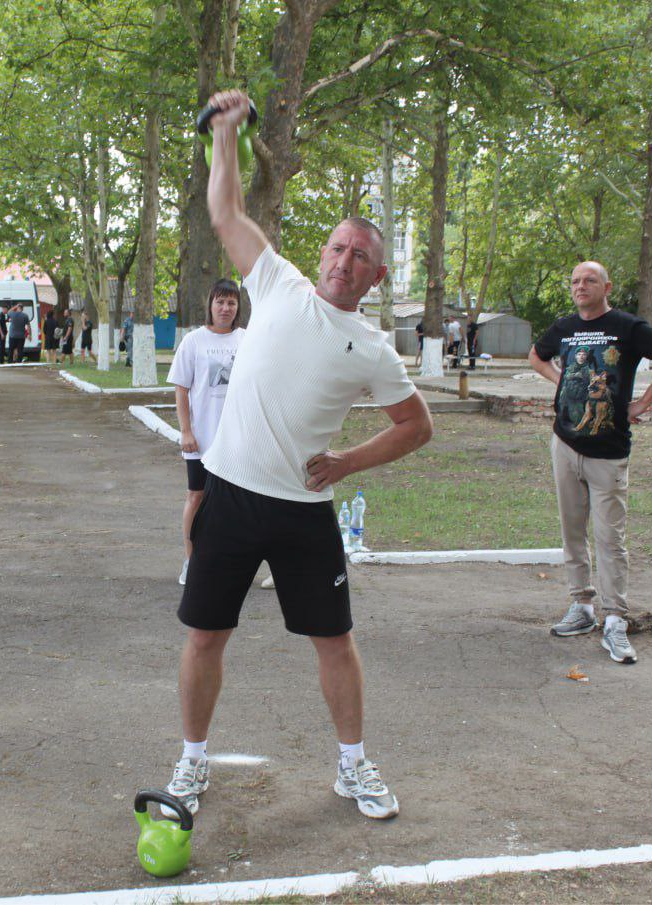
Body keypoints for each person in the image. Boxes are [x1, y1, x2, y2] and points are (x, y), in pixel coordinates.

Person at [160, 90, 433, 822]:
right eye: (340, 247)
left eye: (363, 257)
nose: (346, 261)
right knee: (205, 634)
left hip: (306, 511)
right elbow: (225, 212)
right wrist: (224, 134)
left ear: (377, 277)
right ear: (323, 252)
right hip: (230, 495)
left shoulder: (375, 349)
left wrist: (346, 463)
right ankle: (191, 763)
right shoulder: (276, 281)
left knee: (335, 642)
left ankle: (353, 766)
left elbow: (415, 425)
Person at [529, 261, 652, 666]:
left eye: (590, 280)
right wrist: (559, 381)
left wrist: (643, 403)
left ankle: (615, 618)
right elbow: (537, 355)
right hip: (564, 444)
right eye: (576, 281)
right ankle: (581, 607)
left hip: (610, 451)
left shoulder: (628, 326)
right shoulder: (564, 327)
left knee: (610, 539)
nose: (581, 286)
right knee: (572, 532)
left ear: (606, 286)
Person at [169, 279, 244, 586]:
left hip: (237, 441)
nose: (225, 308)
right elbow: (181, 390)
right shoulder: (193, 342)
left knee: (237, 503)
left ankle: (231, 562)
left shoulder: (247, 340)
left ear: (238, 308)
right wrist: (186, 431)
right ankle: (192, 562)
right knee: (196, 497)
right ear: (210, 305)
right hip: (202, 439)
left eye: (231, 303)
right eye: (220, 302)